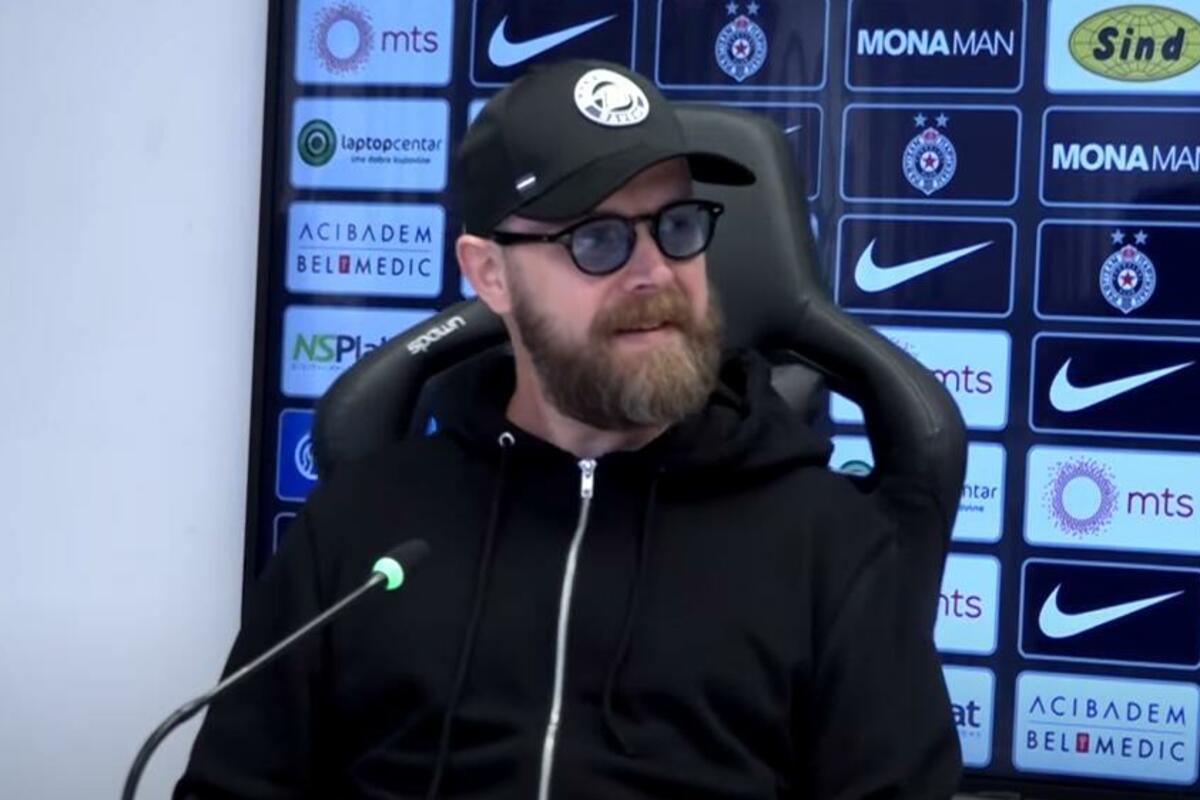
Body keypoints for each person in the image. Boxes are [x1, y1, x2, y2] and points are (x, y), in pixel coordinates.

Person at [175, 59, 961, 799]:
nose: (654, 272)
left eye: (677, 225)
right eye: (599, 240)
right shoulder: (363, 530)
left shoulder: (829, 548)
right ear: (491, 274)